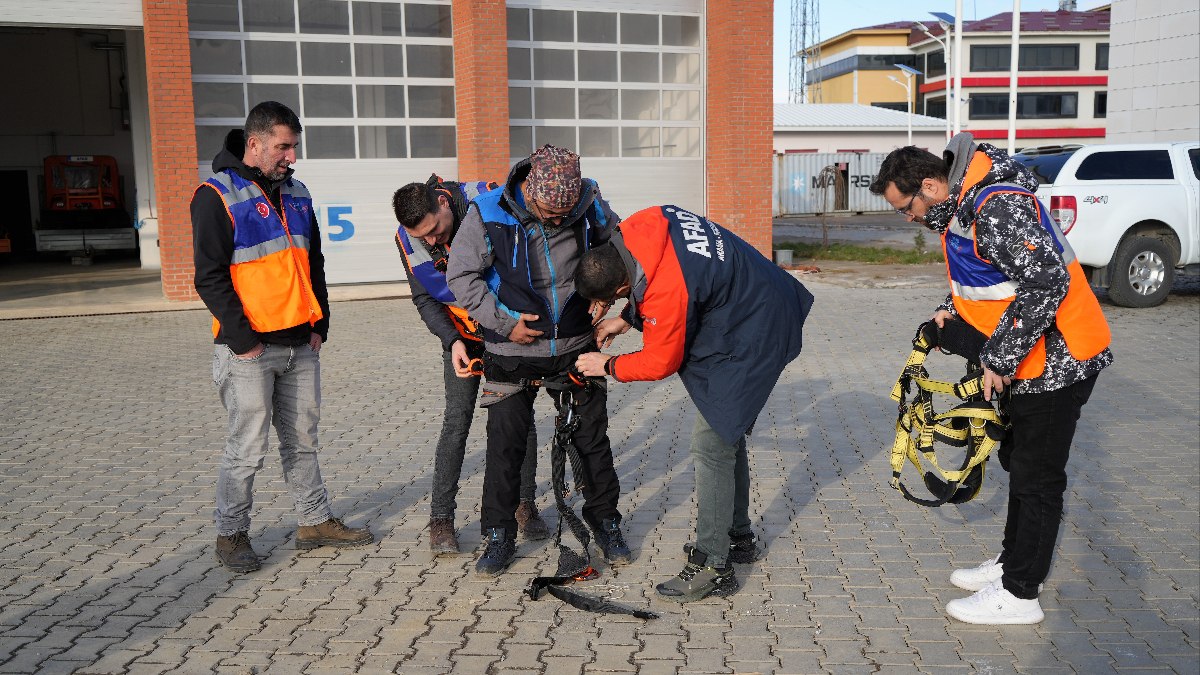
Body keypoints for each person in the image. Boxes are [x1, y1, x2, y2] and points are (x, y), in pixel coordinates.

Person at [869, 134, 1112, 625]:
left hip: (1057, 362)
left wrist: (998, 358)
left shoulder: (995, 206)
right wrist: (947, 313)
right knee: (1016, 464)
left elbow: (1047, 281)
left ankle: (1021, 594)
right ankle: (1010, 564)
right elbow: (981, 272)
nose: (908, 218)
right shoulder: (963, 203)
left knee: (1036, 480)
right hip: (1028, 360)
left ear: (932, 186)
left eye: (905, 207)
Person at [574, 205, 815, 603]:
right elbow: (654, 280)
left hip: (757, 329)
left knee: (711, 443)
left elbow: (660, 361)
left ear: (618, 288)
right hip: (752, 298)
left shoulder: (669, 289)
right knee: (725, 430)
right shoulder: (643, 223)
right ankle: (737, 537)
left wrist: (608, 365)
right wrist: (625, 318)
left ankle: (713, 565)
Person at [193, 101, 373, 573]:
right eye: (283, 146)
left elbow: (313, 263)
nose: (291, 156)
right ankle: (230, 535)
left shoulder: (298, 193)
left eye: (294, 146)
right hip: (250, 350)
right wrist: (243, 340)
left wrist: (319, 324)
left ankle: (314, 522)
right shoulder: (216, 195)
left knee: (303, 441)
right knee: (247, 447)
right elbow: (209, 277)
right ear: (254, 143)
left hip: (300, 343)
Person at [445, 144, 629, 577]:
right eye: (549, 212)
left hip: (576, 346)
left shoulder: (590, 203)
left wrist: (607, 294)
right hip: (510, 352)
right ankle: (498, 535)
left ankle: (606, 523)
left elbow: (622, 249)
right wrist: (504, 324)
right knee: (505, 446)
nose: (557, 221)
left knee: (592, 442)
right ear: (529, 187)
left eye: (566, 214)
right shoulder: (486, 211)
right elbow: (461, 276)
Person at [392, 176, 549, 555]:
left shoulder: (489, 204)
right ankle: (441, 519)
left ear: (443, 205)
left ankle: (524, 505)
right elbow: (424, 299)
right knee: (456, 422)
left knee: (519, 420)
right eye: (421, 237)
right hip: (464, 338)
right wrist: (453, 341)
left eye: (434, 231)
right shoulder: (409, 237)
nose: (430, 242)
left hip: (510, 332)